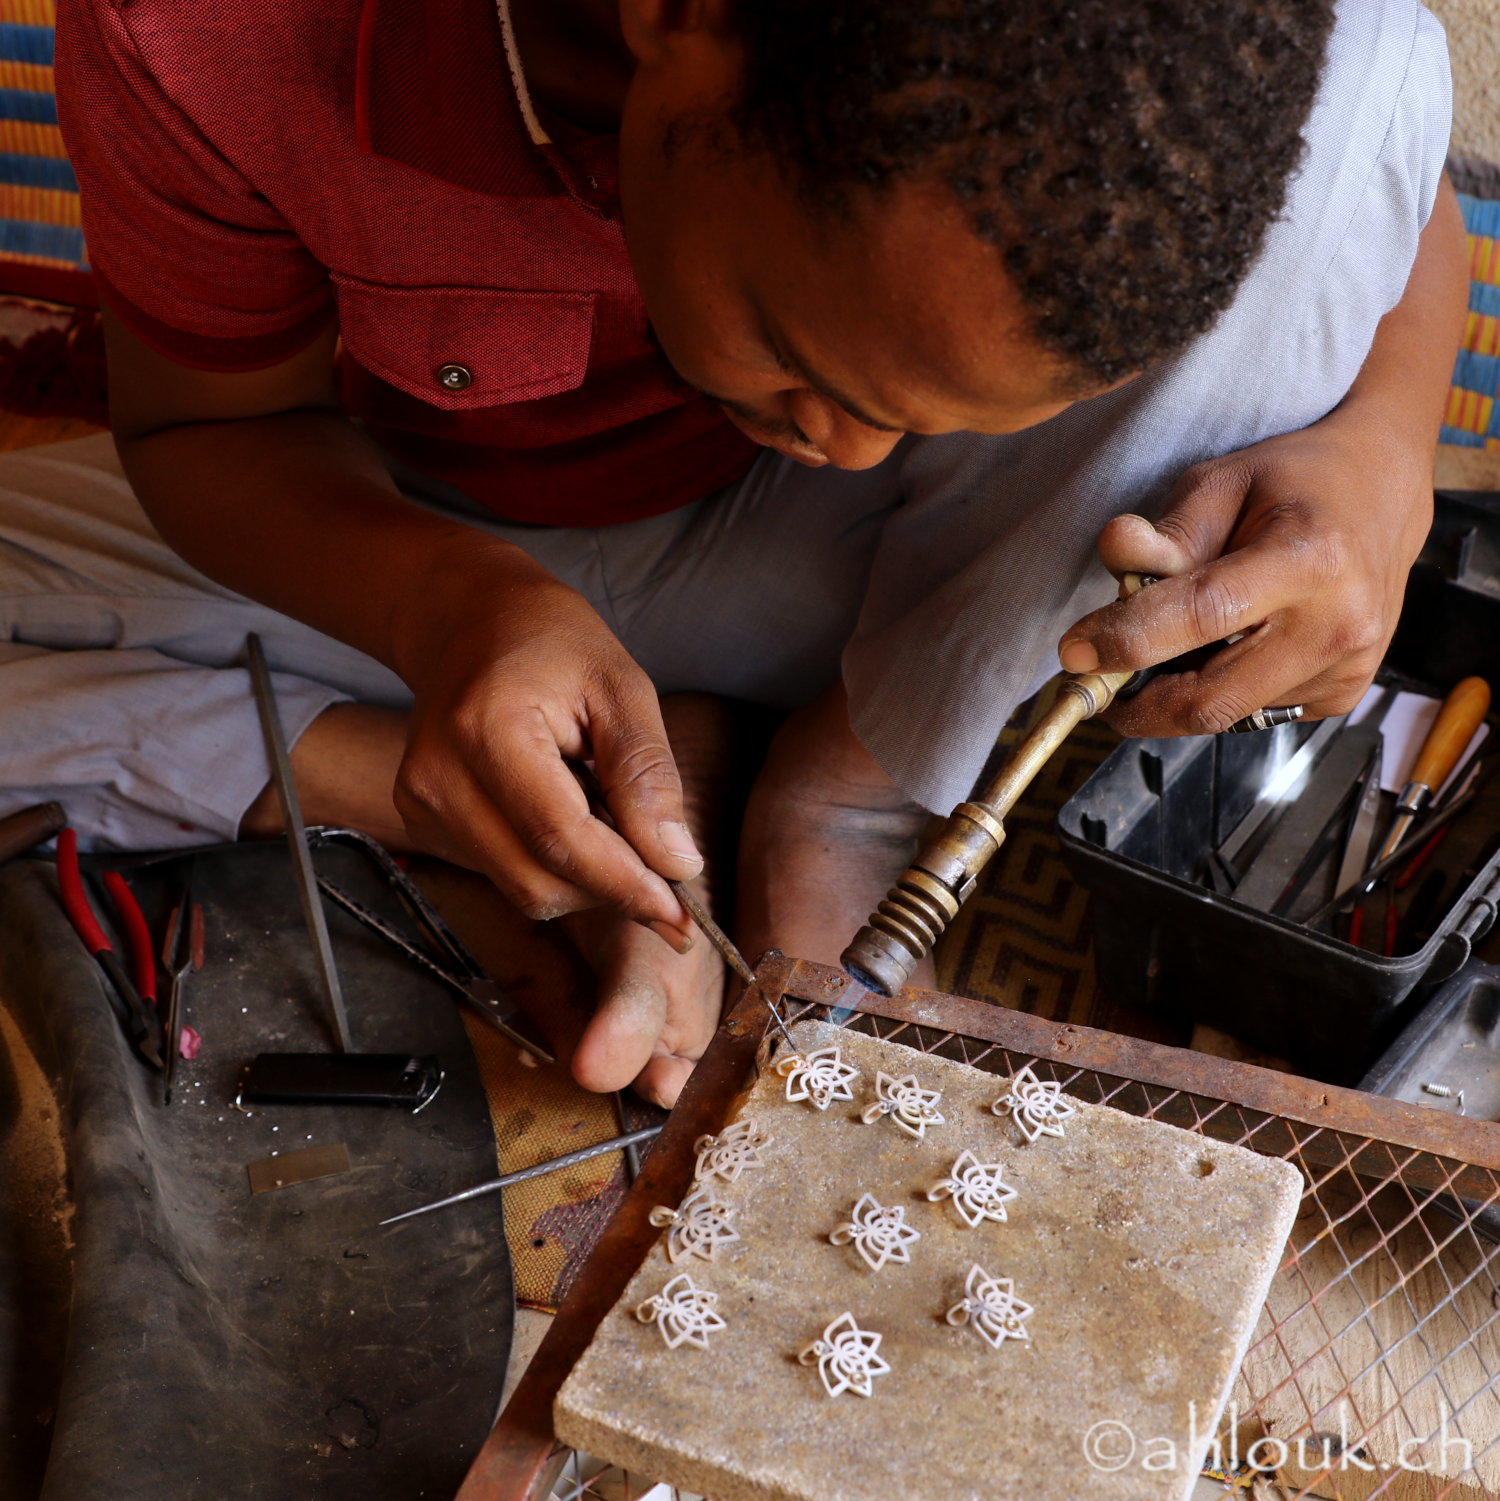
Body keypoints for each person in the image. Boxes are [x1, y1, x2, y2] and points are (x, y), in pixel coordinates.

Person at [15, 0, 1460, 1103]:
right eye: (796, 355)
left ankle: (849, 783)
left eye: (915, 408)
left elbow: (1393, 168)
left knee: (1361, 79)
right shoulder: (211, 29)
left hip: (918, 588)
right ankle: (558, 810)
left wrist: (1383, 455)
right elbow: (212, 431)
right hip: (454, 530)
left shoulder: (1171, 73)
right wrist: (456, 604)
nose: (850, 443)